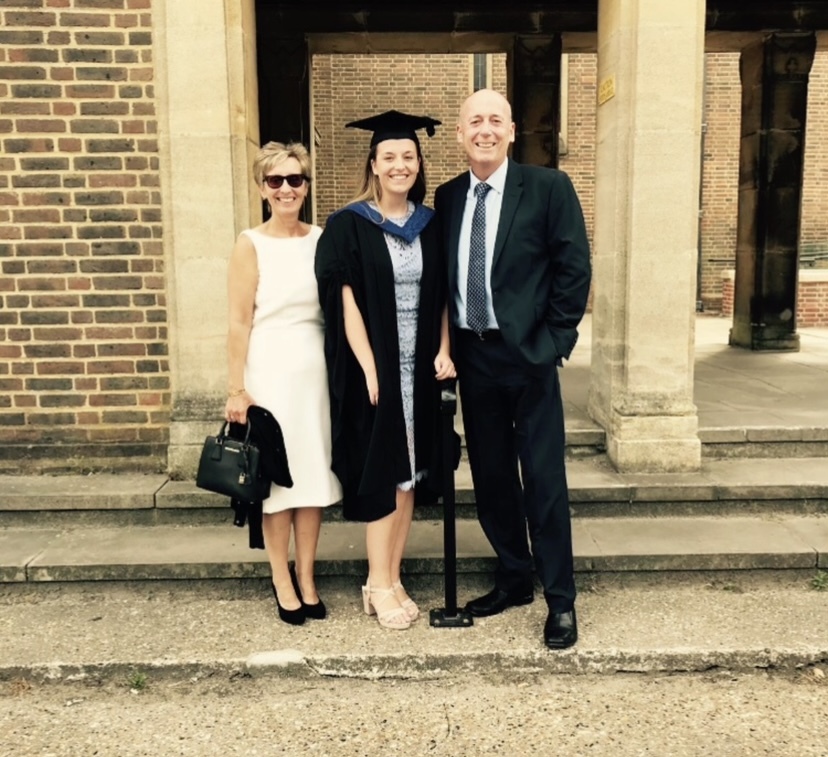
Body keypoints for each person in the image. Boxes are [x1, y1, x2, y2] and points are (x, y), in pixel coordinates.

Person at [433, 89, 592, 650]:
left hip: (528, 357)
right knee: (493, 477)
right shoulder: (448, 196)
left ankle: (561, 600)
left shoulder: (548, 188)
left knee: (544, 481)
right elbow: (443, 279)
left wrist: (554, 342)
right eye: (474, 121)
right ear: (460, 133)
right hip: (475, 360)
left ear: (512, 129)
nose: (485, 129)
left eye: (495, 120)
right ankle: (514, 576)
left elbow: (574, 269)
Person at [315, 110, 456, 631]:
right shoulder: (348, 224)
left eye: (408, 157)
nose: (400, 166)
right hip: (376, 371)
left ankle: (392, 578)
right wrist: (370, 369)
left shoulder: (431, 224)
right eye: (389, 157)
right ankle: (376, 581)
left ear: (419, 165)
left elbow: (442, 294)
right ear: (373, 164)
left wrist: (445, 349)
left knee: (411, 474)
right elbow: (344, 301)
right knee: (383, 474)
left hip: (421, 366)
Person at [225, 141, 342, 626]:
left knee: (311, 480)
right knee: (276, 486)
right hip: (269, 372)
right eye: (276, 180)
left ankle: (308, 575)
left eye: (295, 179)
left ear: (306, 186)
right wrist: (236, 388)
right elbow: (237, 321)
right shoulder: (249, 242)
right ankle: (281, 578)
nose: (287, 188)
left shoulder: (323, 238)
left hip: (314, 374)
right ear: (262, 189)